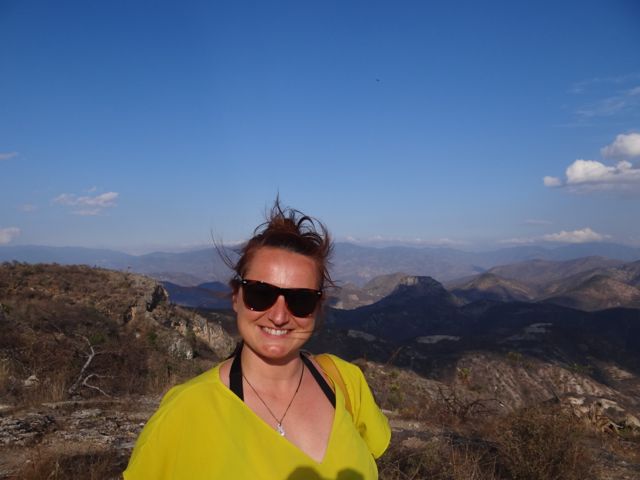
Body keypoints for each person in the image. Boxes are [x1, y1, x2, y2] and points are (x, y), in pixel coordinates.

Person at [123, 201, 391, 479]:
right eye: (260, 295)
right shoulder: (186, 411)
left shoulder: (345, 383)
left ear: (318, 307)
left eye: (301, 300)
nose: (279, 316)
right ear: (236, 297)